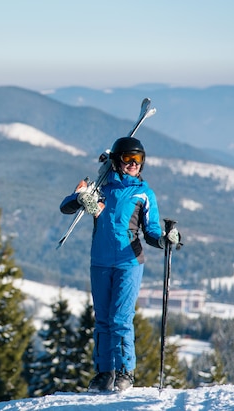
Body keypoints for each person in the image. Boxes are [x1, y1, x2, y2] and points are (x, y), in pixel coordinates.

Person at [59, 136, 180, 392]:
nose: (134, 164)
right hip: (100, 262)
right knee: (102, 319)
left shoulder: (144, 193)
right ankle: (105, 373)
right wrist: (80, 198)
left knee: (120, 319)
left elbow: (152, 233)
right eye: (128, 158)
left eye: (138, 159)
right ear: (117, 161)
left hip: (129, 262)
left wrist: (166, 240)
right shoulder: (101, 187)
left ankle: (126, 372)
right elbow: (66, 206)